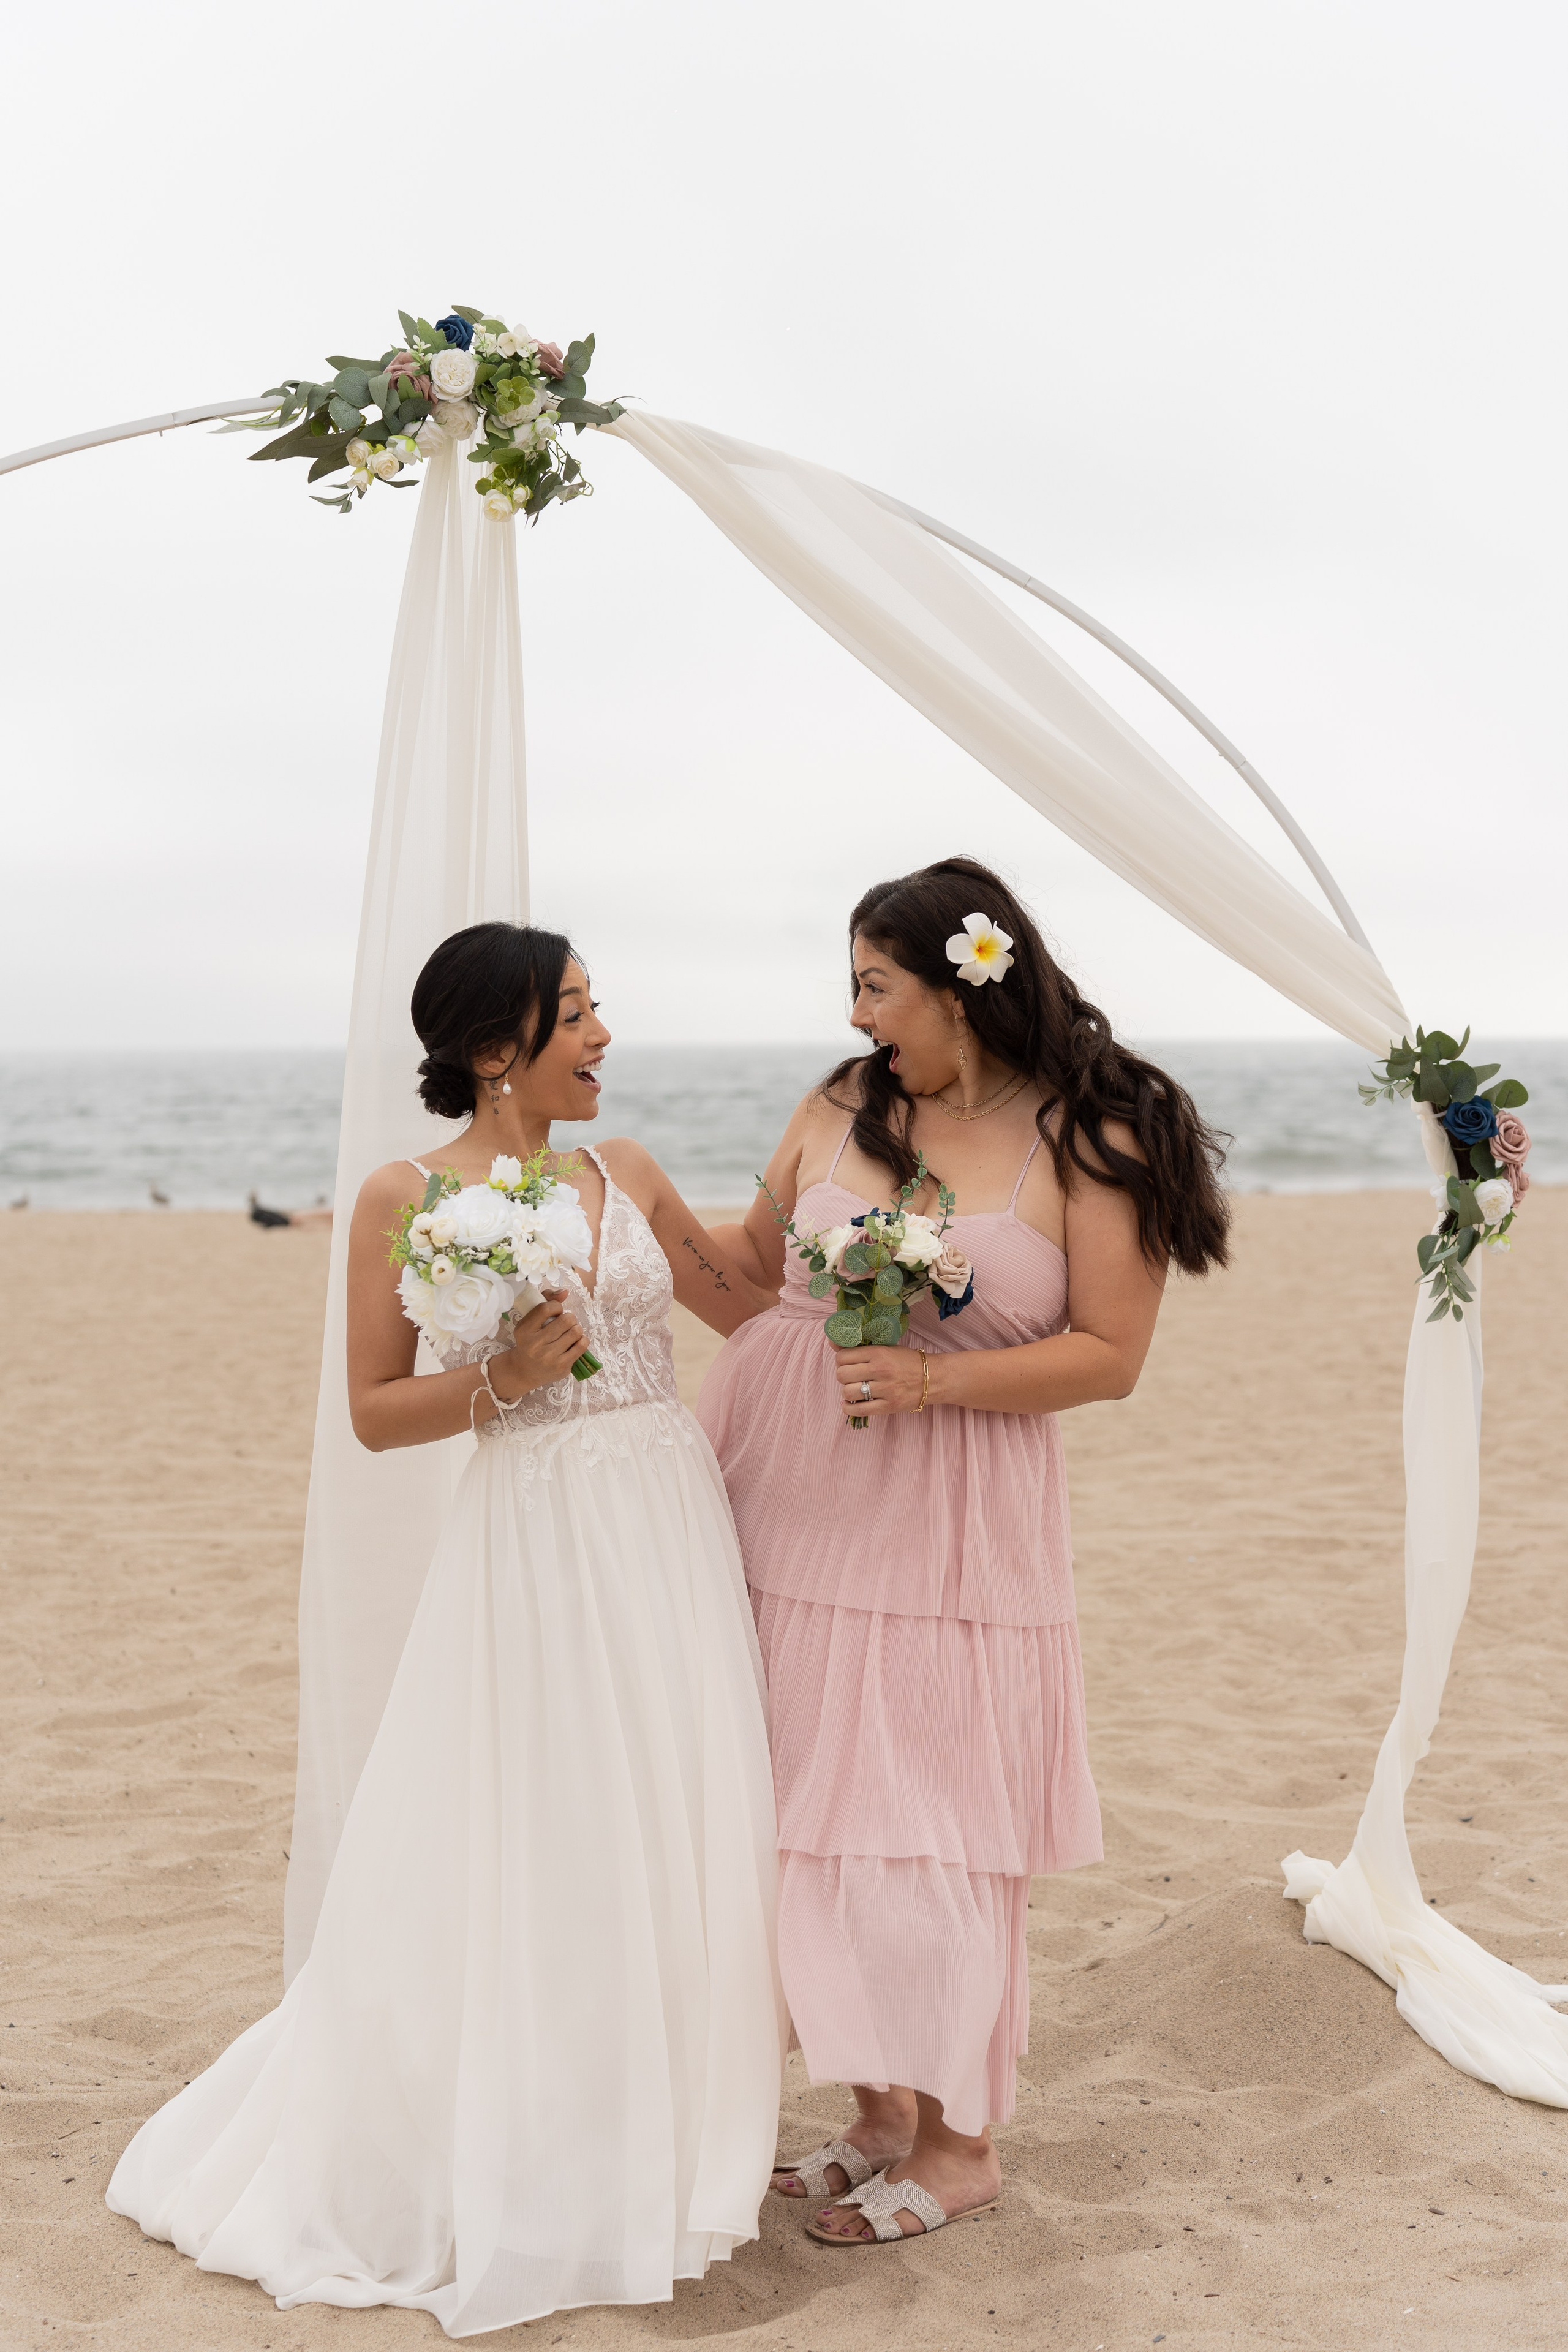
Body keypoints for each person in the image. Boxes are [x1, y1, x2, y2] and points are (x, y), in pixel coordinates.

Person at [108, 921, 788, 2334]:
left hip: (664, 1512)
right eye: (578, 1016)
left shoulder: (629, 1173)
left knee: (670, 1811)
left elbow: (742, 1302)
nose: (606, 1038)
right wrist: (504, 1380)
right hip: (535, 1532)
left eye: (603, 1010)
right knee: (549, 1821)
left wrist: (812, 1167)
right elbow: (371, 1411)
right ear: (497, 1051)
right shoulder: (401, 1197)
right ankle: (522, 2140)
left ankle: (644, 2129)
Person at [700, 856, 1229, 2246]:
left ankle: (959, 2146)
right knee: (803, 1814)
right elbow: (748, 1282)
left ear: (961, 981)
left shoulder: (1098, 1130)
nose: (858, 1013)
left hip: (951, 1529)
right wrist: (608, 1207)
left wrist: (928, 1383)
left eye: (876, 984)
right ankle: (875, 2114)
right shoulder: (836, 1105)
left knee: (929, 1828)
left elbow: (1109, 1356)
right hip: (784, 1502)